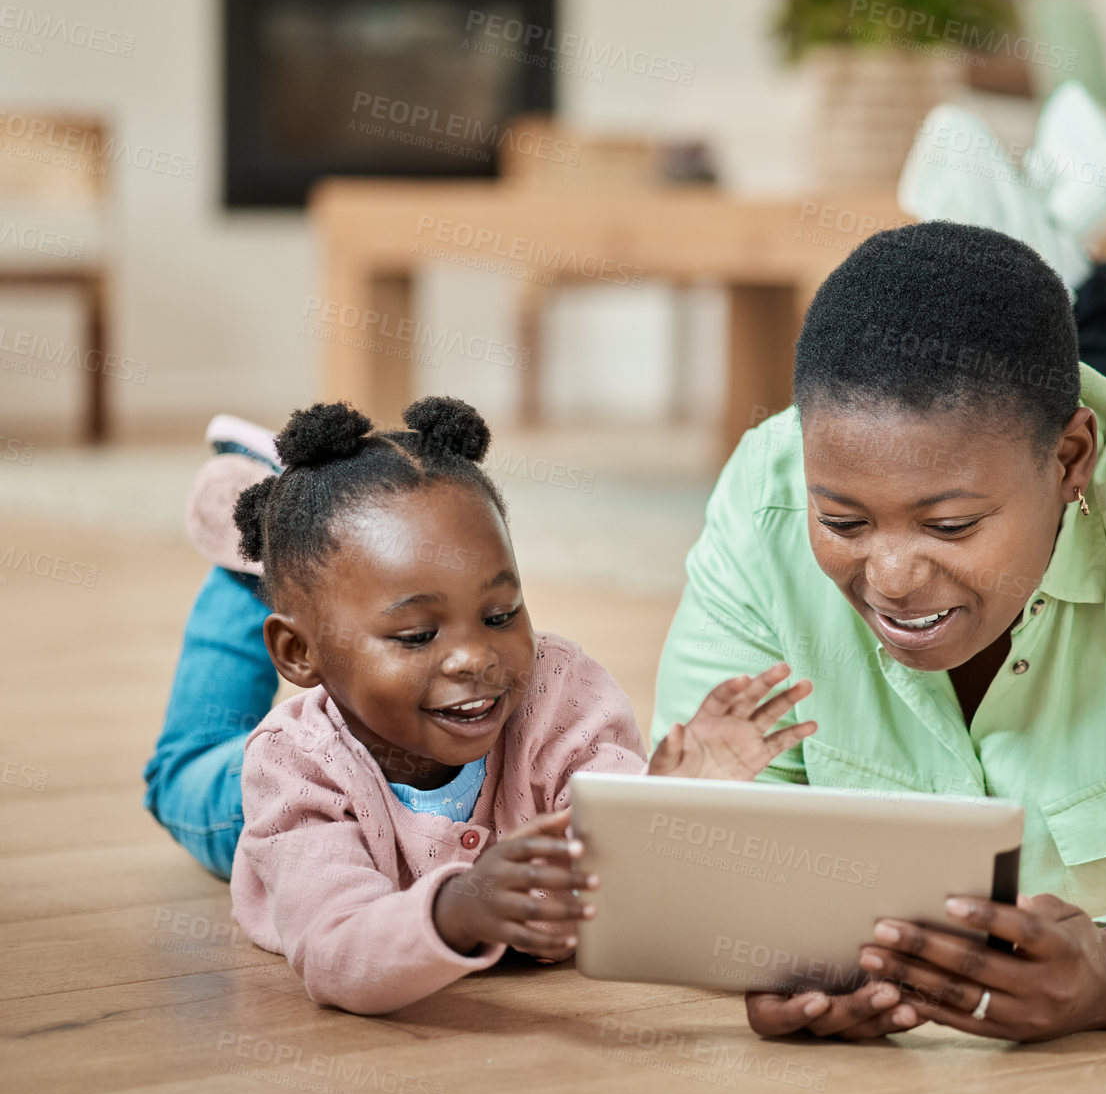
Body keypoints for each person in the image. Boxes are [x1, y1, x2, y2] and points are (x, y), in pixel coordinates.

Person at [652, 218, 1106, 1042]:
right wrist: (769, 947)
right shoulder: (762, 498)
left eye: (948, 526)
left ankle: (1075, 253)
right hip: (1065, 468)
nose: (892, 576)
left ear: (1071, 456)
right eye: (845, 520)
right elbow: (698, 835)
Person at [143, 395, 814, 1014]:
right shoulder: (289, 769)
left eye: (499, 613)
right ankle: (246, 547)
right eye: (416, 634)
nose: (475, 657)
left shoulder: (562, 694)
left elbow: (617, 866)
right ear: (296, 654)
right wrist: (458, 907)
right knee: (184, 769)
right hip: (271, 811)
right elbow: (335, 949)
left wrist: (672, 800)